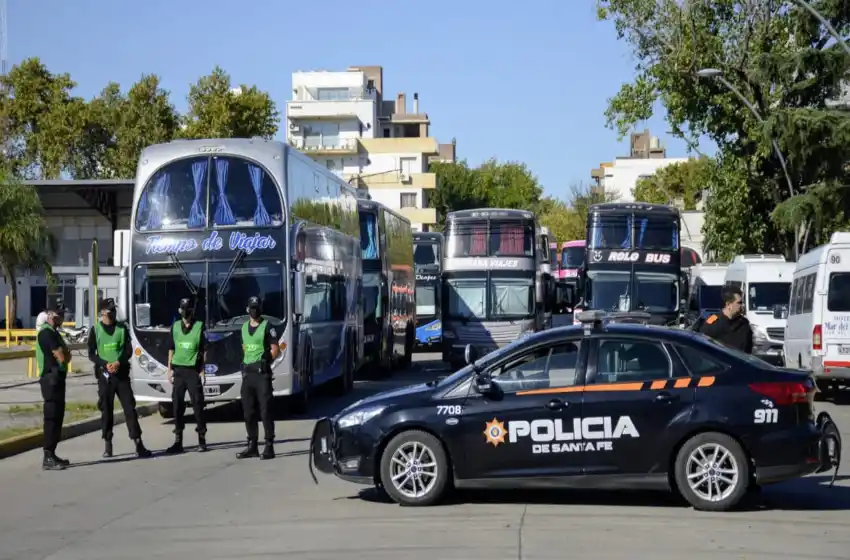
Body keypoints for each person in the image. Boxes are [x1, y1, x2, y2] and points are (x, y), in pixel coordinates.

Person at [87, 298, 152, 459]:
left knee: (130, 409)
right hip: (105, 376)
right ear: (103, 313)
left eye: (114, 310)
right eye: (110, 311)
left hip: (121, 375)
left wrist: (118, 362)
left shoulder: (122, 328)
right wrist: (104, 363)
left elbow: (129, 350)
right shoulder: (95, 330)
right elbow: (91, 354)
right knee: (106, 411)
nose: (113, 313)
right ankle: (108, 444)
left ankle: (138, 443)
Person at [236, 296, 280, 460]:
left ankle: (269, 446)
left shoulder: (268, 326)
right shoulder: (243, 328)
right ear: (248, 309)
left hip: (262, 375)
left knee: (266, 411)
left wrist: (266, 359)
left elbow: (275, 349)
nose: (255, 310)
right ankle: (252, 446)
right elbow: (243, 348)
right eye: (252, 307)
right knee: (248, 412)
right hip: (248, 375)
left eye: (257, 307)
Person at [165, 297, 208, 454]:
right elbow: (171, 348)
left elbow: (204, 350)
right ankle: (178, 442)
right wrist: (169, 370)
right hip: (179, 371)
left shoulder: (199, 327)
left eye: (188, 311)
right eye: (184, 310)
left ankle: (202, 440)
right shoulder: (175, 327)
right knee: (177, 406)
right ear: (180, 311)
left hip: (193, 371)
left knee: (198, 404)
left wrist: (202, 371)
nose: (186, 314)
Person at [36, 304, 71, 470]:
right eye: (58, 314)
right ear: (49, 315)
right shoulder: (46, 333)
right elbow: (62, 357)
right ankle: (47, 456)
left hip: (57, 378)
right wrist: (63, 353)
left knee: (58, 417)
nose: (61, 317)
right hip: (50, 379)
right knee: (51, 418)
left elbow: (66, 356)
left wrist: (63, 353)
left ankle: (52, 453)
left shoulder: (55, 333)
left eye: (62, 314)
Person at [697, 286, 754, 354]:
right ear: (728, 304)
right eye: (739, 303)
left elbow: (748, 351)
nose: (743, 305)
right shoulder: (713, 324)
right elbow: (702, 349)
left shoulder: (744, 324)